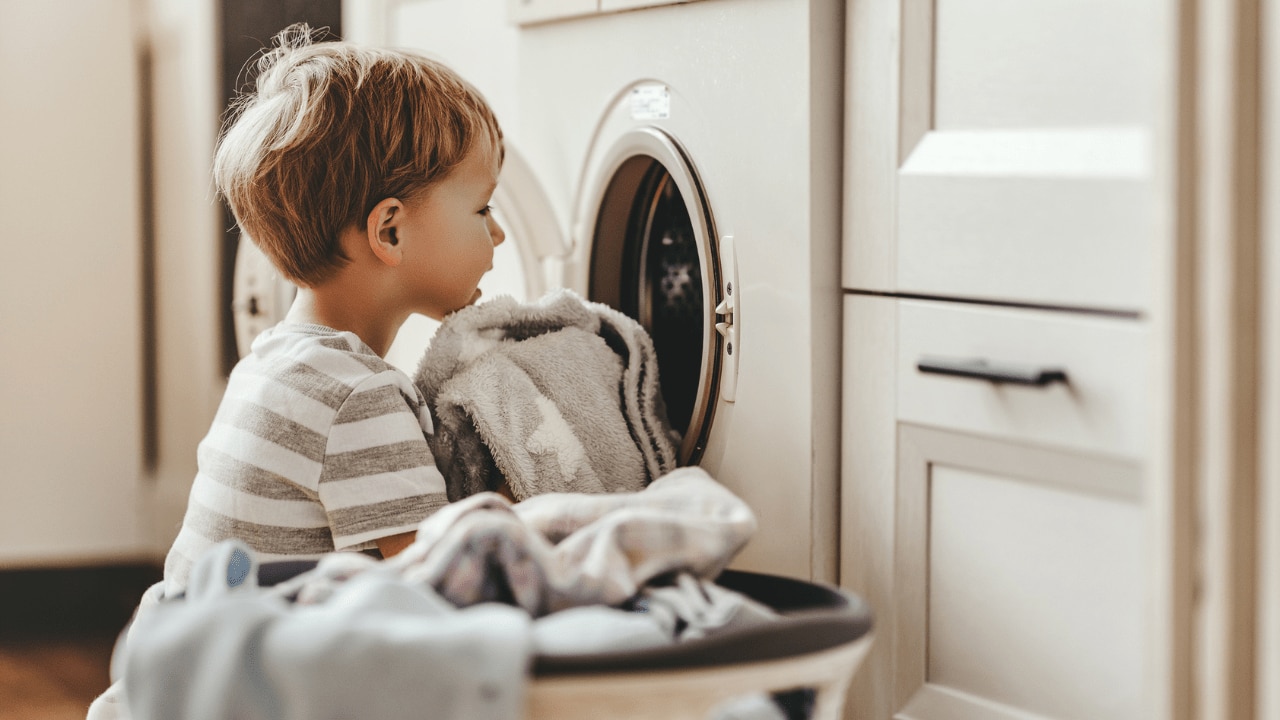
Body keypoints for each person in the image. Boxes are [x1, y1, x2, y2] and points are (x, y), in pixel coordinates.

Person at [160, 24, 507, 597]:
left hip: (185, 656)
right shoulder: (357, 397)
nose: (497, 233)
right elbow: (438, 591)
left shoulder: (273, 362)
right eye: (482, 207)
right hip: (240, 676)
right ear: (389, 231)